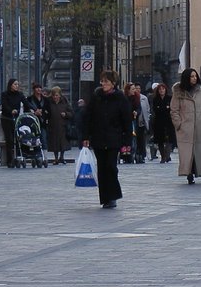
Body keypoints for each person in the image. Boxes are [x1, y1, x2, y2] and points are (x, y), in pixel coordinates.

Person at [82, 70, 132, 209]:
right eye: (102, 81)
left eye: (106, 81)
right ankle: (105, 197)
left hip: (113, 138)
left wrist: (127, 141)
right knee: (102, 168)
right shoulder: (96, 97)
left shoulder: (120, 98)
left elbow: (127, 121)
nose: (103, 84)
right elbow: (88, 117)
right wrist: (86, 136)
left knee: (111, 167)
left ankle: (113, 196)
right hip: (98, 137)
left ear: (113, 83)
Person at [170, 68, 201, 184]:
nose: (194, 78)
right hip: (185, 128)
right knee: (187, 152)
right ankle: (188, 173)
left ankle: (195, 172)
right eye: (192, 76)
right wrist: (179, 124)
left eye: (195, 76)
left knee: (196, 152)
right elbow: (174, 110)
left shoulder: (200, 91)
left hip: (197, 126)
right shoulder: (178, 92)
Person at [0, 78, 27, 168]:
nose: (17, 86)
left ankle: (18, 157)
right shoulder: (5, 94)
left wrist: (34, 109)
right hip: (7, 118)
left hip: (16, 119)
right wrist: (11, 110)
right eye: (15, 84)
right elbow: (4, 104)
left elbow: (26, 103)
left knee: (18, 138)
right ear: (10, 85)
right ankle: (10, 160)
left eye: (17, 84)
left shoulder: (20, 95)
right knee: (10, 139)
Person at [45, 86, 72, 165]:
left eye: (57, 95)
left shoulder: (65, 102)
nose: (55, 97)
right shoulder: (49, 102)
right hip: (52, 125)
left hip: (62, 125)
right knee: (54, 142)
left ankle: (62, 157)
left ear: (60, 95)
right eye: (54, 95)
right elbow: (46, 111)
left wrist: (66, 114)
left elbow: (71, 113)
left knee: (62, 142)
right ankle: (56, 158)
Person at [150, 83, 175, 164]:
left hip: (168, 121)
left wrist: (163, 109)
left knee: (169, 139)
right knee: (160, 140)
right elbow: (155, 110)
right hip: (158, 122)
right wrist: (164, 108)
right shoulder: (155, 99)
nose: (161, 91)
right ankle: (163, 156)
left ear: (165, 90)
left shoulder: (169, 98)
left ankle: (167, 155)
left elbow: (171, 109)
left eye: (163, 89)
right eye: (160, 89)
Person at [26, 83, 50, 153]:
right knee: (34, 140)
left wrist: (43, 112)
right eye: (37, 88)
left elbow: (49, 110)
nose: (39, 89)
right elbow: (26, 110)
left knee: (44, 139)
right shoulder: (29, 99)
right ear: (34, 89)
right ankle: (35, 154)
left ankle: (44, 157)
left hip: (43, 122)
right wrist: (34, 113)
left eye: (40, 88)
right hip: (33, 122)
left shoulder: (45, 99)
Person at [135, 84, 151, 163]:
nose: (138, 90)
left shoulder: (144, 98)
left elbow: (147, 109)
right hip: (134, 121)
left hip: (142, 122)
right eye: (136, 88)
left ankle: (142, 154)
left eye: (139, 88)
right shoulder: (132, 97)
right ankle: (136, 153)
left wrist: (147, 119)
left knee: (142, 139)